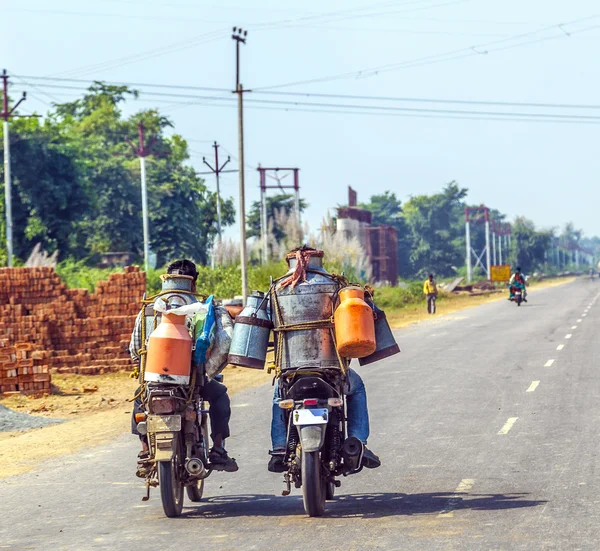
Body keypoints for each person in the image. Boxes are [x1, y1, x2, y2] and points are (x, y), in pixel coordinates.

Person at [130, 259, 238, 473]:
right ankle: (217, 450)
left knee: (139, 400)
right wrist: (207, 370)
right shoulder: (204, 308)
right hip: (193, 382)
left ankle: (144, 450)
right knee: (219, 396)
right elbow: (225, 342)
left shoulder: (150, 309)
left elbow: (135, 348)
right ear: (193, 283)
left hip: (154, 382)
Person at [268, 368, 381, 472]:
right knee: (357, 388)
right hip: (330, 372)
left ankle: (279, 448)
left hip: (293, 375)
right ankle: (357, 442)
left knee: (279, 398)